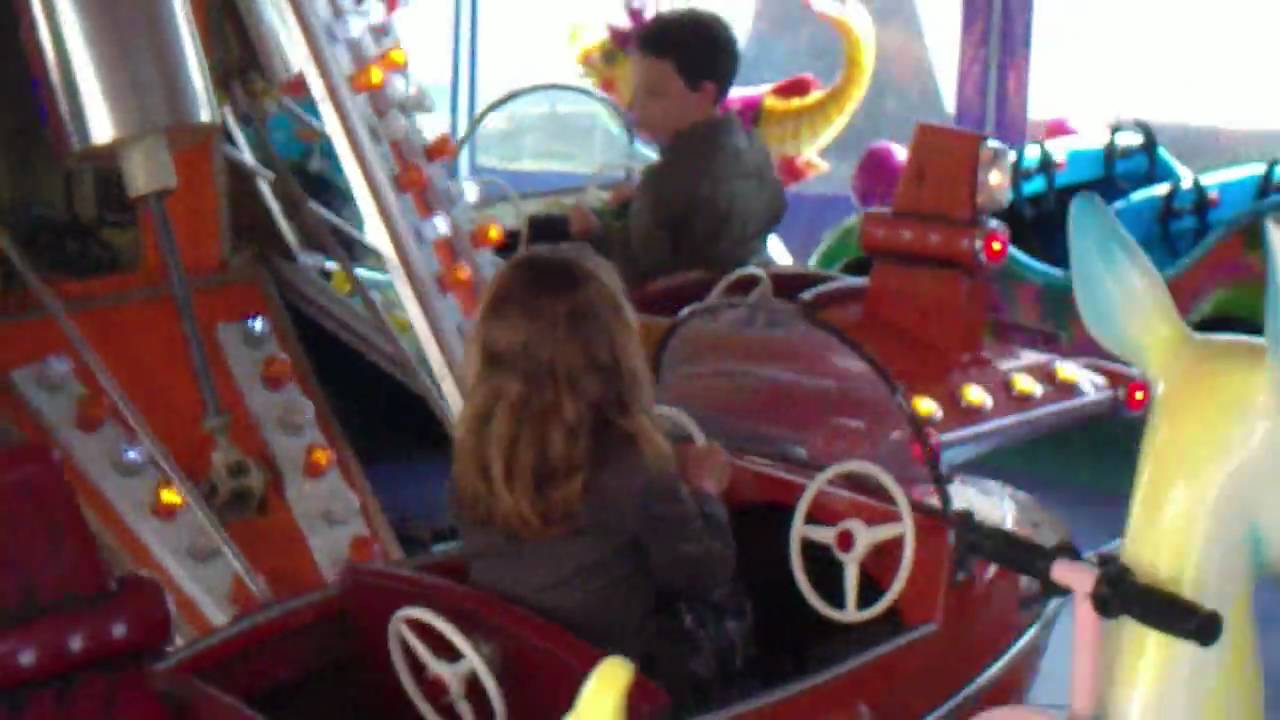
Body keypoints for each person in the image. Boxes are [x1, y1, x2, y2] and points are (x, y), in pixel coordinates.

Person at [452, 246, 742, 702]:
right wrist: (705, 491)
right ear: (612, 350)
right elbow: (703, 571)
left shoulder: (477, 450)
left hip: (525, 673)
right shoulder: (634, 462)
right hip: (618, 683)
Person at [524, 9, 786, 289]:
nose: (633, 107)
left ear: (704, 94)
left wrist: (592, 233)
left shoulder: (667, 184)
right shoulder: (755, 154)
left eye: (653, 93)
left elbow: (633, 279)